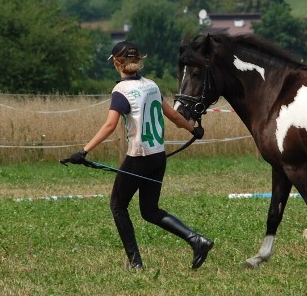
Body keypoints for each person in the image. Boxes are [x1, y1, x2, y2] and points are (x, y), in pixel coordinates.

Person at [67, 41, 213, 269]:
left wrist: (83, 151)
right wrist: (193, 129)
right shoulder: (152, 86)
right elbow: (173, 116)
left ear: (117, 62)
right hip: (158, 157)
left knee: (117, 205)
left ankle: (135, 263)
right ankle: (197, 240)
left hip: (139, 157)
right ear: (139, 61)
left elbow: (109, 126)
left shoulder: (121, 91)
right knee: (150, 210)